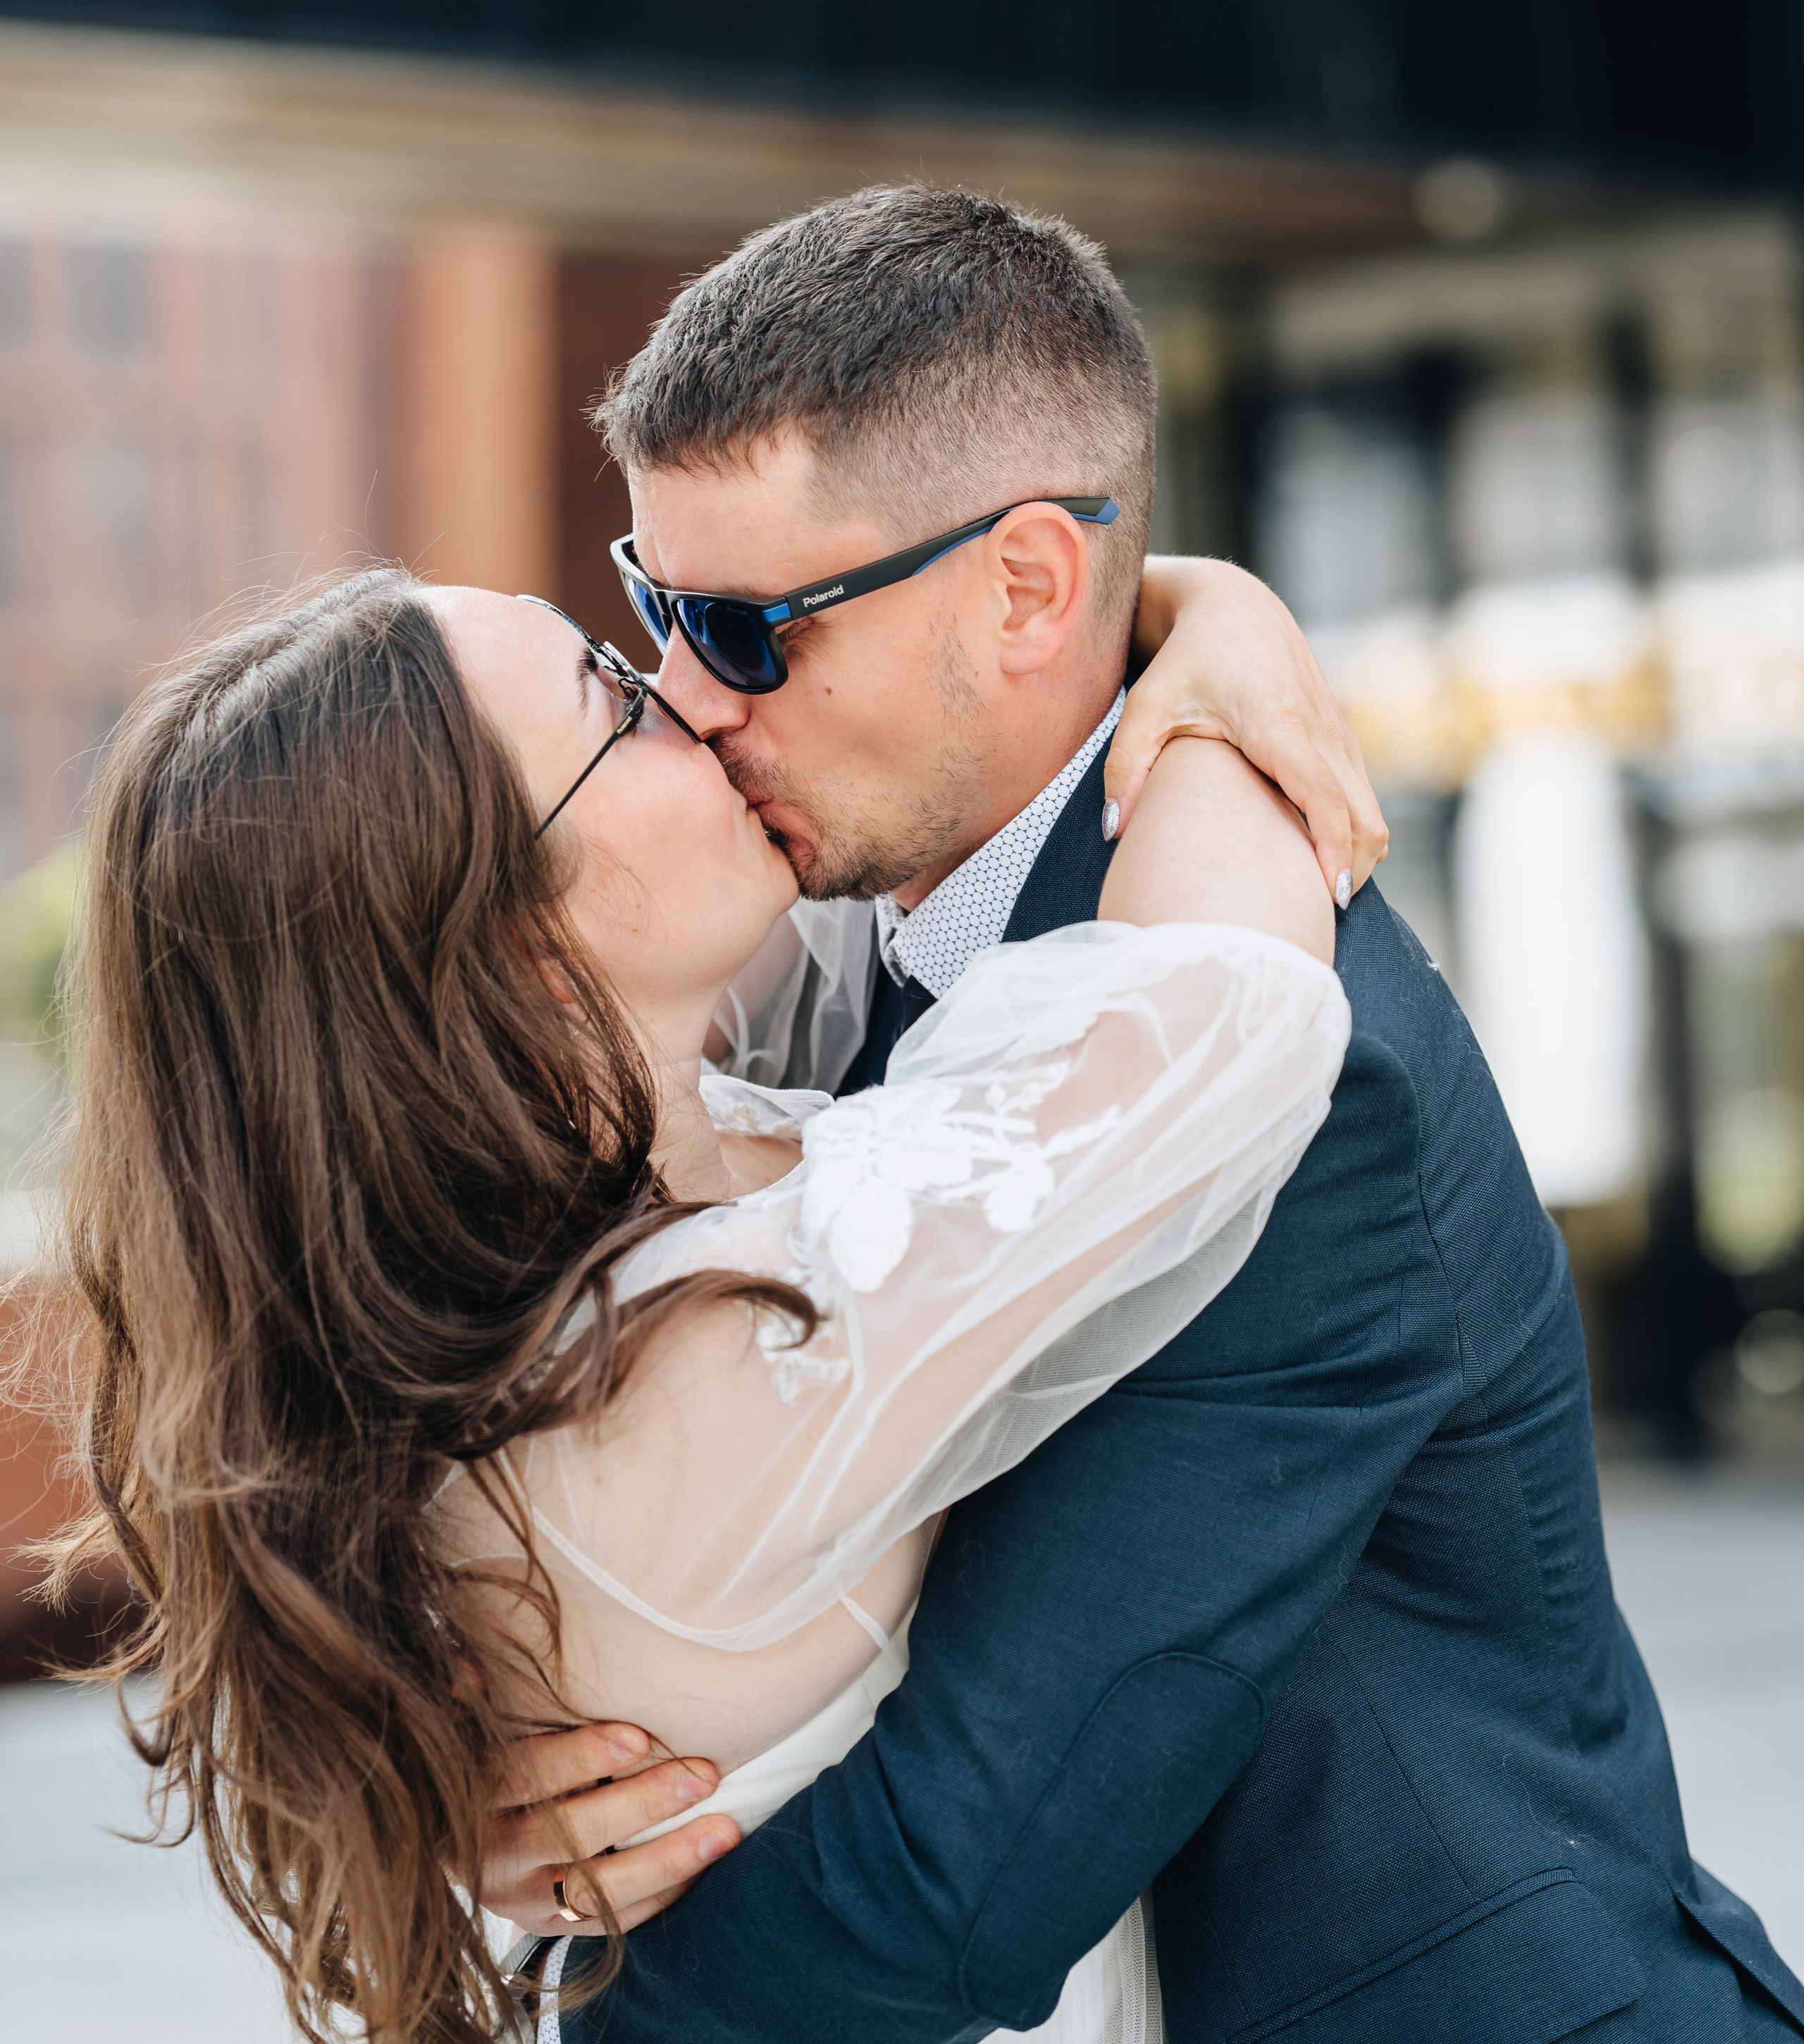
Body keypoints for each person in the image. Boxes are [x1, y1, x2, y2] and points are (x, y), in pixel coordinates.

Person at [481, 186, 1804, 2044]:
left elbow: (960, 1878)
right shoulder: (867, 964)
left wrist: (563, 1989)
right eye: (651, 610)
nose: (692, 701)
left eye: (745, 628)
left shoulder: (1284, 1071)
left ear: (1025, 588)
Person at [41, 533, 1363, 2042]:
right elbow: (1219, 1007)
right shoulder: (685, 1357)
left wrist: (1175, 599)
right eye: (617, 698)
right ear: (503, 950)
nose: (694, 692)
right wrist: (1229, 636)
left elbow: (899, 855)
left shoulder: (630, 1195)